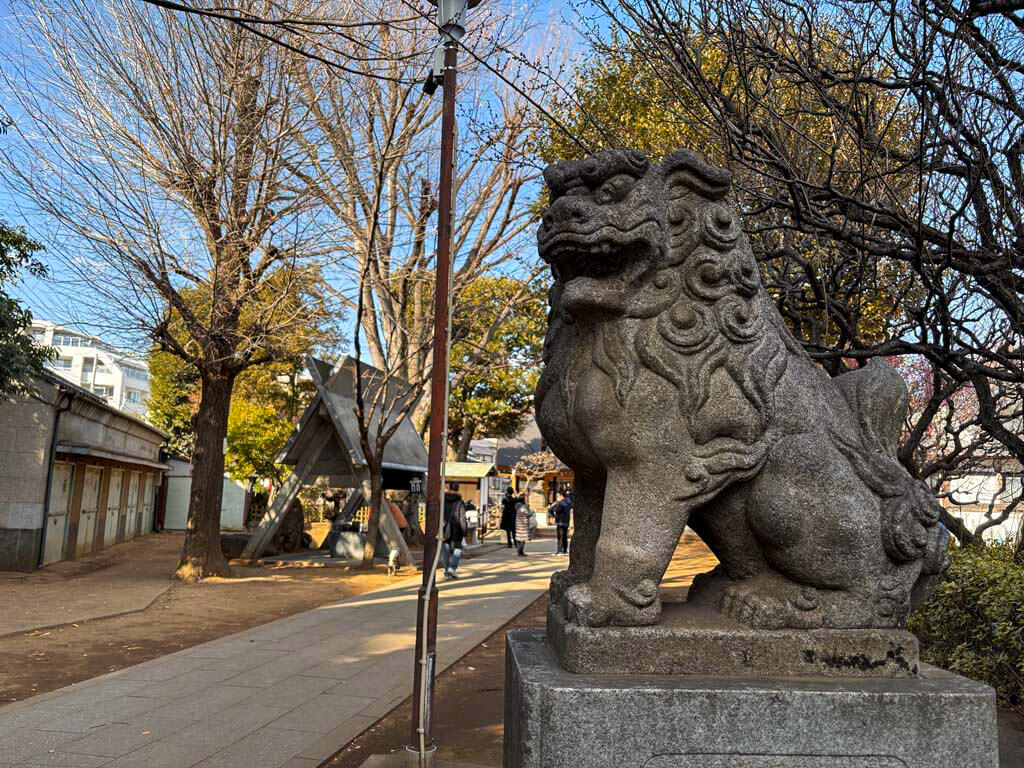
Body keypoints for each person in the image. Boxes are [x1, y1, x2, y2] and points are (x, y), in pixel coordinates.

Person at [441, 484, 468, 579]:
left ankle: (446, 572)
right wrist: (464, 532)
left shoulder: (442, 500)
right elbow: (462, 518)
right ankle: (452, 567)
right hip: (457, 529)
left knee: (445, 550)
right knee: (458, 548)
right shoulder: (460, 502)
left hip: (444, 528)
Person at [553, 489, 573, 555]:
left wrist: (556, 505)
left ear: (562, 496)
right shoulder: (569, 502)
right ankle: (565, 550)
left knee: (560, 537)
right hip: (566, 521)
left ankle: (559, 550)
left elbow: (557, 511)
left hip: (560, 522)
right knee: (565, 536)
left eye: (558, 495)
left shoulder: (561, 503)